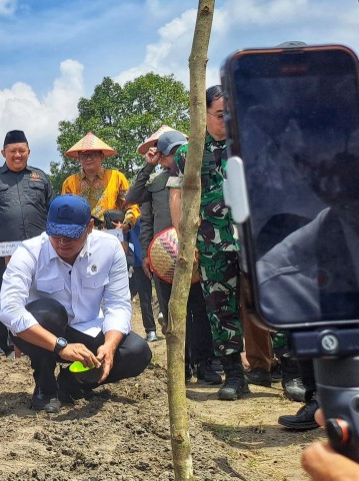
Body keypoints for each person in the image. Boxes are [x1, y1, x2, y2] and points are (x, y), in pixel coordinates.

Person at [0, 195, 152, 412]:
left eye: (71, 236)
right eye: (56, 235)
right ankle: (45, 386)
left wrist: (109, 345)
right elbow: (8, 309)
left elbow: (118, 304)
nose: (62, 243)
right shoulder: (29, 251)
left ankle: (73, 382)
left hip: (89, 328)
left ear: (89, 227)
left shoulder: (109, 248)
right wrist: (60, 346)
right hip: (44, 333)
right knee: (49, 313)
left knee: (138, 351)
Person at [168, 85, 247, 401]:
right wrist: (187, 241)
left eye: (229, 113)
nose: (226, 119)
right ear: (202, 114)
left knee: (269, 302)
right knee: (220, 310)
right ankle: (235, 376)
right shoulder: (188, 153)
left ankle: (291, 373)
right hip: (212, 243)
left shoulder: (245, 145)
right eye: (219, 114)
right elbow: (176, 197)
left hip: (251, 240)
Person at [133, 129, 219, 384]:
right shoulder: (156, 182)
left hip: (197, 251)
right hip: (164, 256)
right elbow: (136, 204)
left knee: (200, 309)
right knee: (172, 312)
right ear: (163, 158)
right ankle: (182, 366)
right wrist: (147, 253)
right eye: (172, 155)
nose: (178, 158)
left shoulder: (199, 176)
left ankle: (205, 363)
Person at [0, 130, 53, 359]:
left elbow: (51, 210)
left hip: (38, 249)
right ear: (3, 153)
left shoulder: (40, 177)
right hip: (2, 251)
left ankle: (40, 340)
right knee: (4, 294)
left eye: (22, 151)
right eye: (12, 151)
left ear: (28, 151)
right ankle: (9, 345)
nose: (17, 155)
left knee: (39, 291)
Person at [61, 131, 140, 233]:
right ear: (79, 159)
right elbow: (64, 211)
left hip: (112, 232)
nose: (88, 158)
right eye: (84, 156)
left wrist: (126, 225)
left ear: (102, 156)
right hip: (80, 235)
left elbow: (131, 205)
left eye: (93, 154)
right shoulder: (69, 183)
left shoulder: (117, 178)